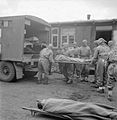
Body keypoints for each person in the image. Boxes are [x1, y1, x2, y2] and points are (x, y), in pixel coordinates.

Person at [107, 31, 117, 101]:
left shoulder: (110, 52)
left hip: (112, 65)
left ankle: (110, 95)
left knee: (110, 79)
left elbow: (108, 60)